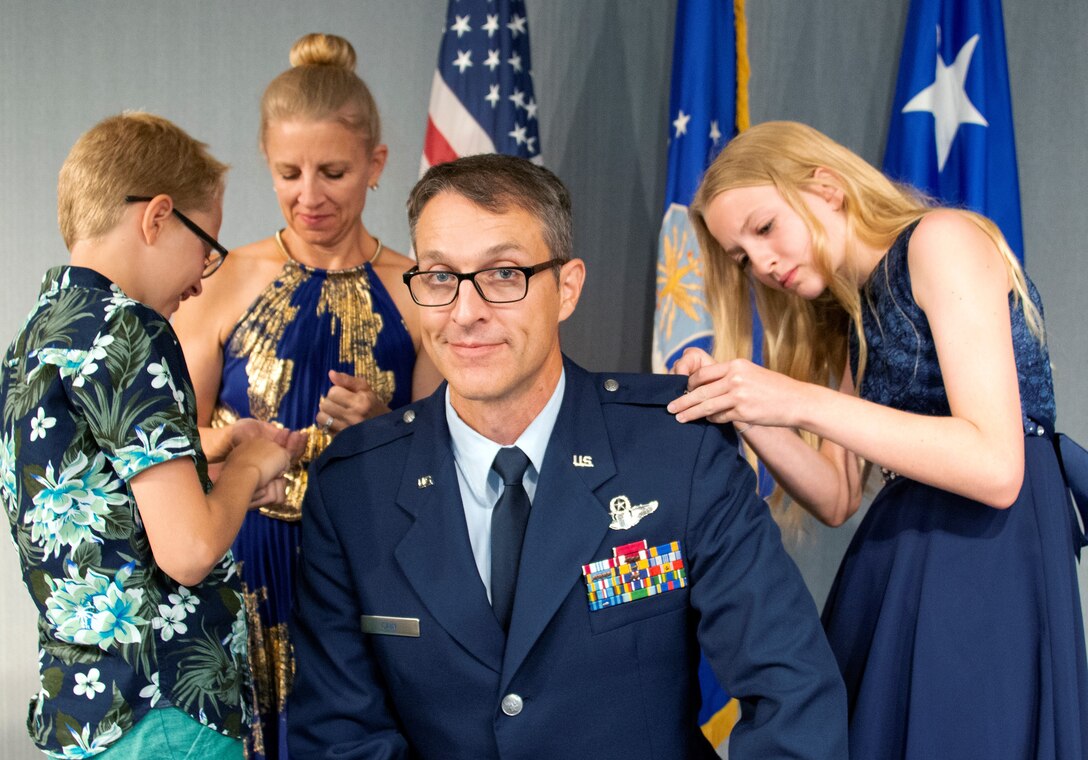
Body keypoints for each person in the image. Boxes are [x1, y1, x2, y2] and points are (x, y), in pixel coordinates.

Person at [286, 153, 847, 759]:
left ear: (567, 289)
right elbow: (340, 738)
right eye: (440, 277)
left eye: (503, 274)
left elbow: (791, 688)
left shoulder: (676, 448)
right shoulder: (353, 487)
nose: (466, 313)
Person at [669, 120, 1088, 759]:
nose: (763, 264)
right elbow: (836, 496)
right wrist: (744, 407)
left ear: (828, 188)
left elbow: (997, 466)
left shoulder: (941, 240)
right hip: (903, 562)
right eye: (742, 258)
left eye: (764, 228)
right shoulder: (854, 314)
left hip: (984, 559)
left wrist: (797, 400)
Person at [172, 33, 442, 758]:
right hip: (240, 567)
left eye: (334, 172)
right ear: (265, 158)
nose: (309, 196)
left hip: (365, 568)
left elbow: (452, 465)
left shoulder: (417, 290)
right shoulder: (221, 279)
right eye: (289, 172)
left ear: (376, 166)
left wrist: (388, 426)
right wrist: (234, 451)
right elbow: (171, 451)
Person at [0, 112, 303, 758]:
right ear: (157, 217)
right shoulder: (130, 332)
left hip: (82, 714)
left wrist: (207, 453)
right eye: (205, 248)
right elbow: (189, 549)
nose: (201, 280)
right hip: (163, 710)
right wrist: (252, 461)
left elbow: (99, 506)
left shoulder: (35, 338)